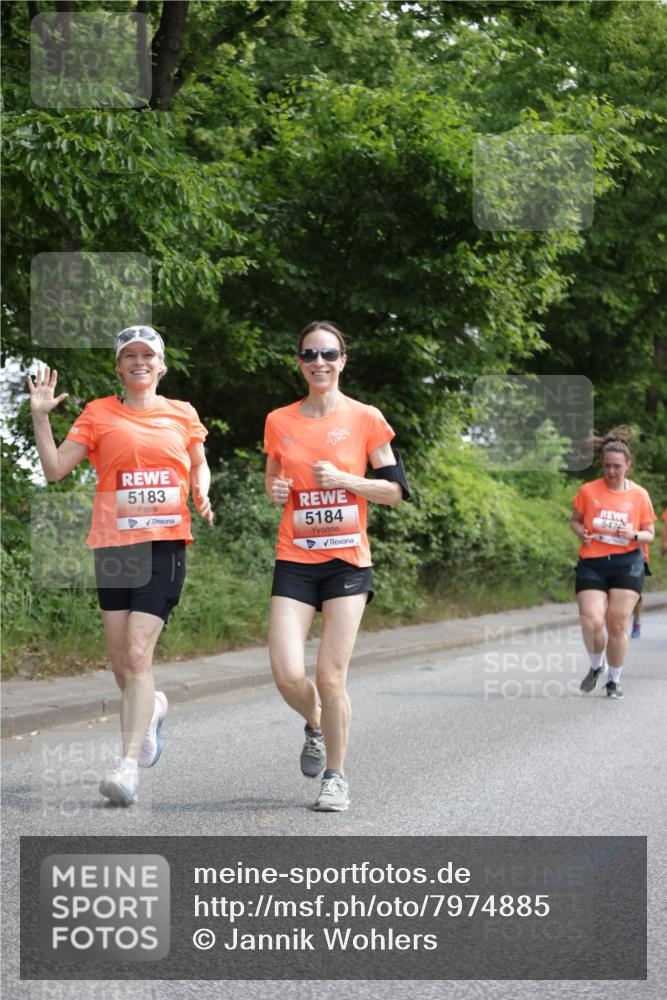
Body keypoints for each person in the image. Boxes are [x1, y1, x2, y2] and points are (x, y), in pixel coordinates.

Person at [27, 326, 213, 805]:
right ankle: (150, 709)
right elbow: (53, 470)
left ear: (161, 364)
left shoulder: (182, 413)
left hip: (164, 545)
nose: (138, 361)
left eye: (147, 354)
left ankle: (127, 766)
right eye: (129, 355)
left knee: (136, 654)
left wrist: (202, 490)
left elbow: (199, 462)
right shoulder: (98, 414)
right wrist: (40, 418)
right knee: (120, 662)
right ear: (118, 366)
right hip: (113, 547)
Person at [263, 321, 409, 811]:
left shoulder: (366, 417)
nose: (319, 362)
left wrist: (347, 479)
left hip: (347, 560)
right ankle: (316, 723)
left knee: (330, 675)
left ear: (343, 360)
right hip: (296, 559)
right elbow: (274, 478)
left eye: (328, 354)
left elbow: (394, 492)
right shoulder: (279, 420)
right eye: (310, 355)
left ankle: (336, 777)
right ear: (299, 362)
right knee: (286, 673)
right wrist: (277, 490)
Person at [570, 428, 655, 699]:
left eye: (617, 466)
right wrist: (579, 530)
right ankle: (597, 665)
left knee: (617, 622)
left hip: (628, 563)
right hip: (593, 562)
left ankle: (614, 680)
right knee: (591, 620)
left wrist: (632, 535)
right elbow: (575, 520)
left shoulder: (639, 495)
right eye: (607, 466)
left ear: (628, 466)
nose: (611, 471)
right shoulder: (588, 491)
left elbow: (649, 533)